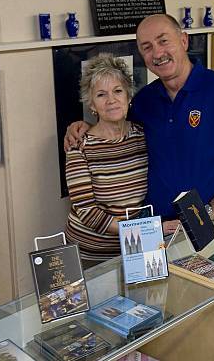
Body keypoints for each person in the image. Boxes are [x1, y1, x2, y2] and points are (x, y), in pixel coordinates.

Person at [65, 14, 214, 223]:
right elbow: (116, 127)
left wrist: (211, 211)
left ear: (184, 40)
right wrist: (84, 127)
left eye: (163, 41)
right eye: (147, 47)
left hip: (207, 223)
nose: (158, 53)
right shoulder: (144, 100)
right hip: (155, 227)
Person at [65, 53, 154, 265]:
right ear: (92, 105)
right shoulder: (80, 145)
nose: (111, 100)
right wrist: (139, 231)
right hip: (90, 255)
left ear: (128, 96)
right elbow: (87, 211)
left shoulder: (143, 136)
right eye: (101, 95)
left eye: (117, 91)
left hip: (136, 249)